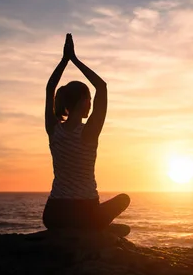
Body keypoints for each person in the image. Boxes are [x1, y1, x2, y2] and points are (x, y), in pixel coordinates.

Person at [42, 33, 130, 234]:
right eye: (88, 99)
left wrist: (65, 60)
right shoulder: (89, 133)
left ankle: (89, 228)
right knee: (124, 199)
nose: (90, 104)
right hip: (85, 211)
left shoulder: (54, 130)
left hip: (54, 215)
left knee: (100, 221)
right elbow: (102, 86)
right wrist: (75, 59)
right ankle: (97, 229)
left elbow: (49, 89)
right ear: (81, 101)